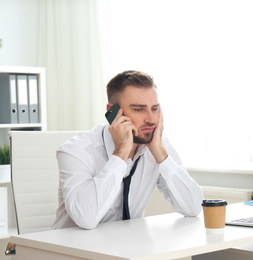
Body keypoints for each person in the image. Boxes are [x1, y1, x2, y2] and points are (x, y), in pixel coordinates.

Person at [52, 70, 203, 229]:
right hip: (74, 250)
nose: (151, 120)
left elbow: (194, 208)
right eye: (139, 109)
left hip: (128, 248)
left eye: (154, 109)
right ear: (113, 112)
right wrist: (121, 153)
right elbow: (86, 219)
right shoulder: (75, 151)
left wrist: (159, 151)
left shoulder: (157, 145)